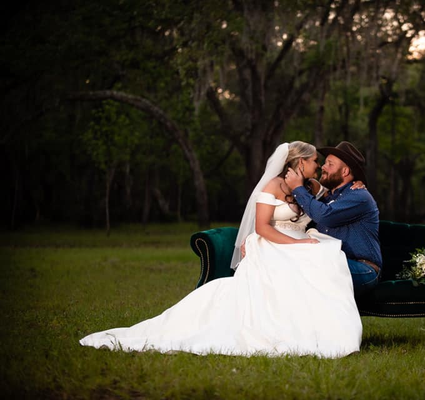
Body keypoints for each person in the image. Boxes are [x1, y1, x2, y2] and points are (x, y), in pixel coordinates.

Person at [79, 141, 362, 358]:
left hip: (297, 243)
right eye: (315, 161)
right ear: (300, 162)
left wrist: (359, 183)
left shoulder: (311, 185)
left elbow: (333, 195)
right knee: (299, 270)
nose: (318, 166)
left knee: (326, 259)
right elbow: (262, 227)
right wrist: (297, 244)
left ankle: (321, 328)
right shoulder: (273, 186)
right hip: (273, 244)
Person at [285, 141, 382, 298]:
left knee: (313, 269)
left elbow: (324, 215)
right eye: (324, 163)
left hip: (363, 269)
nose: (323, 167)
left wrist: (297, 188)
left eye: (330, 164)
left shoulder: (359, 196)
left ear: (344, 171)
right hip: (331, 262)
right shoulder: (326, 197)